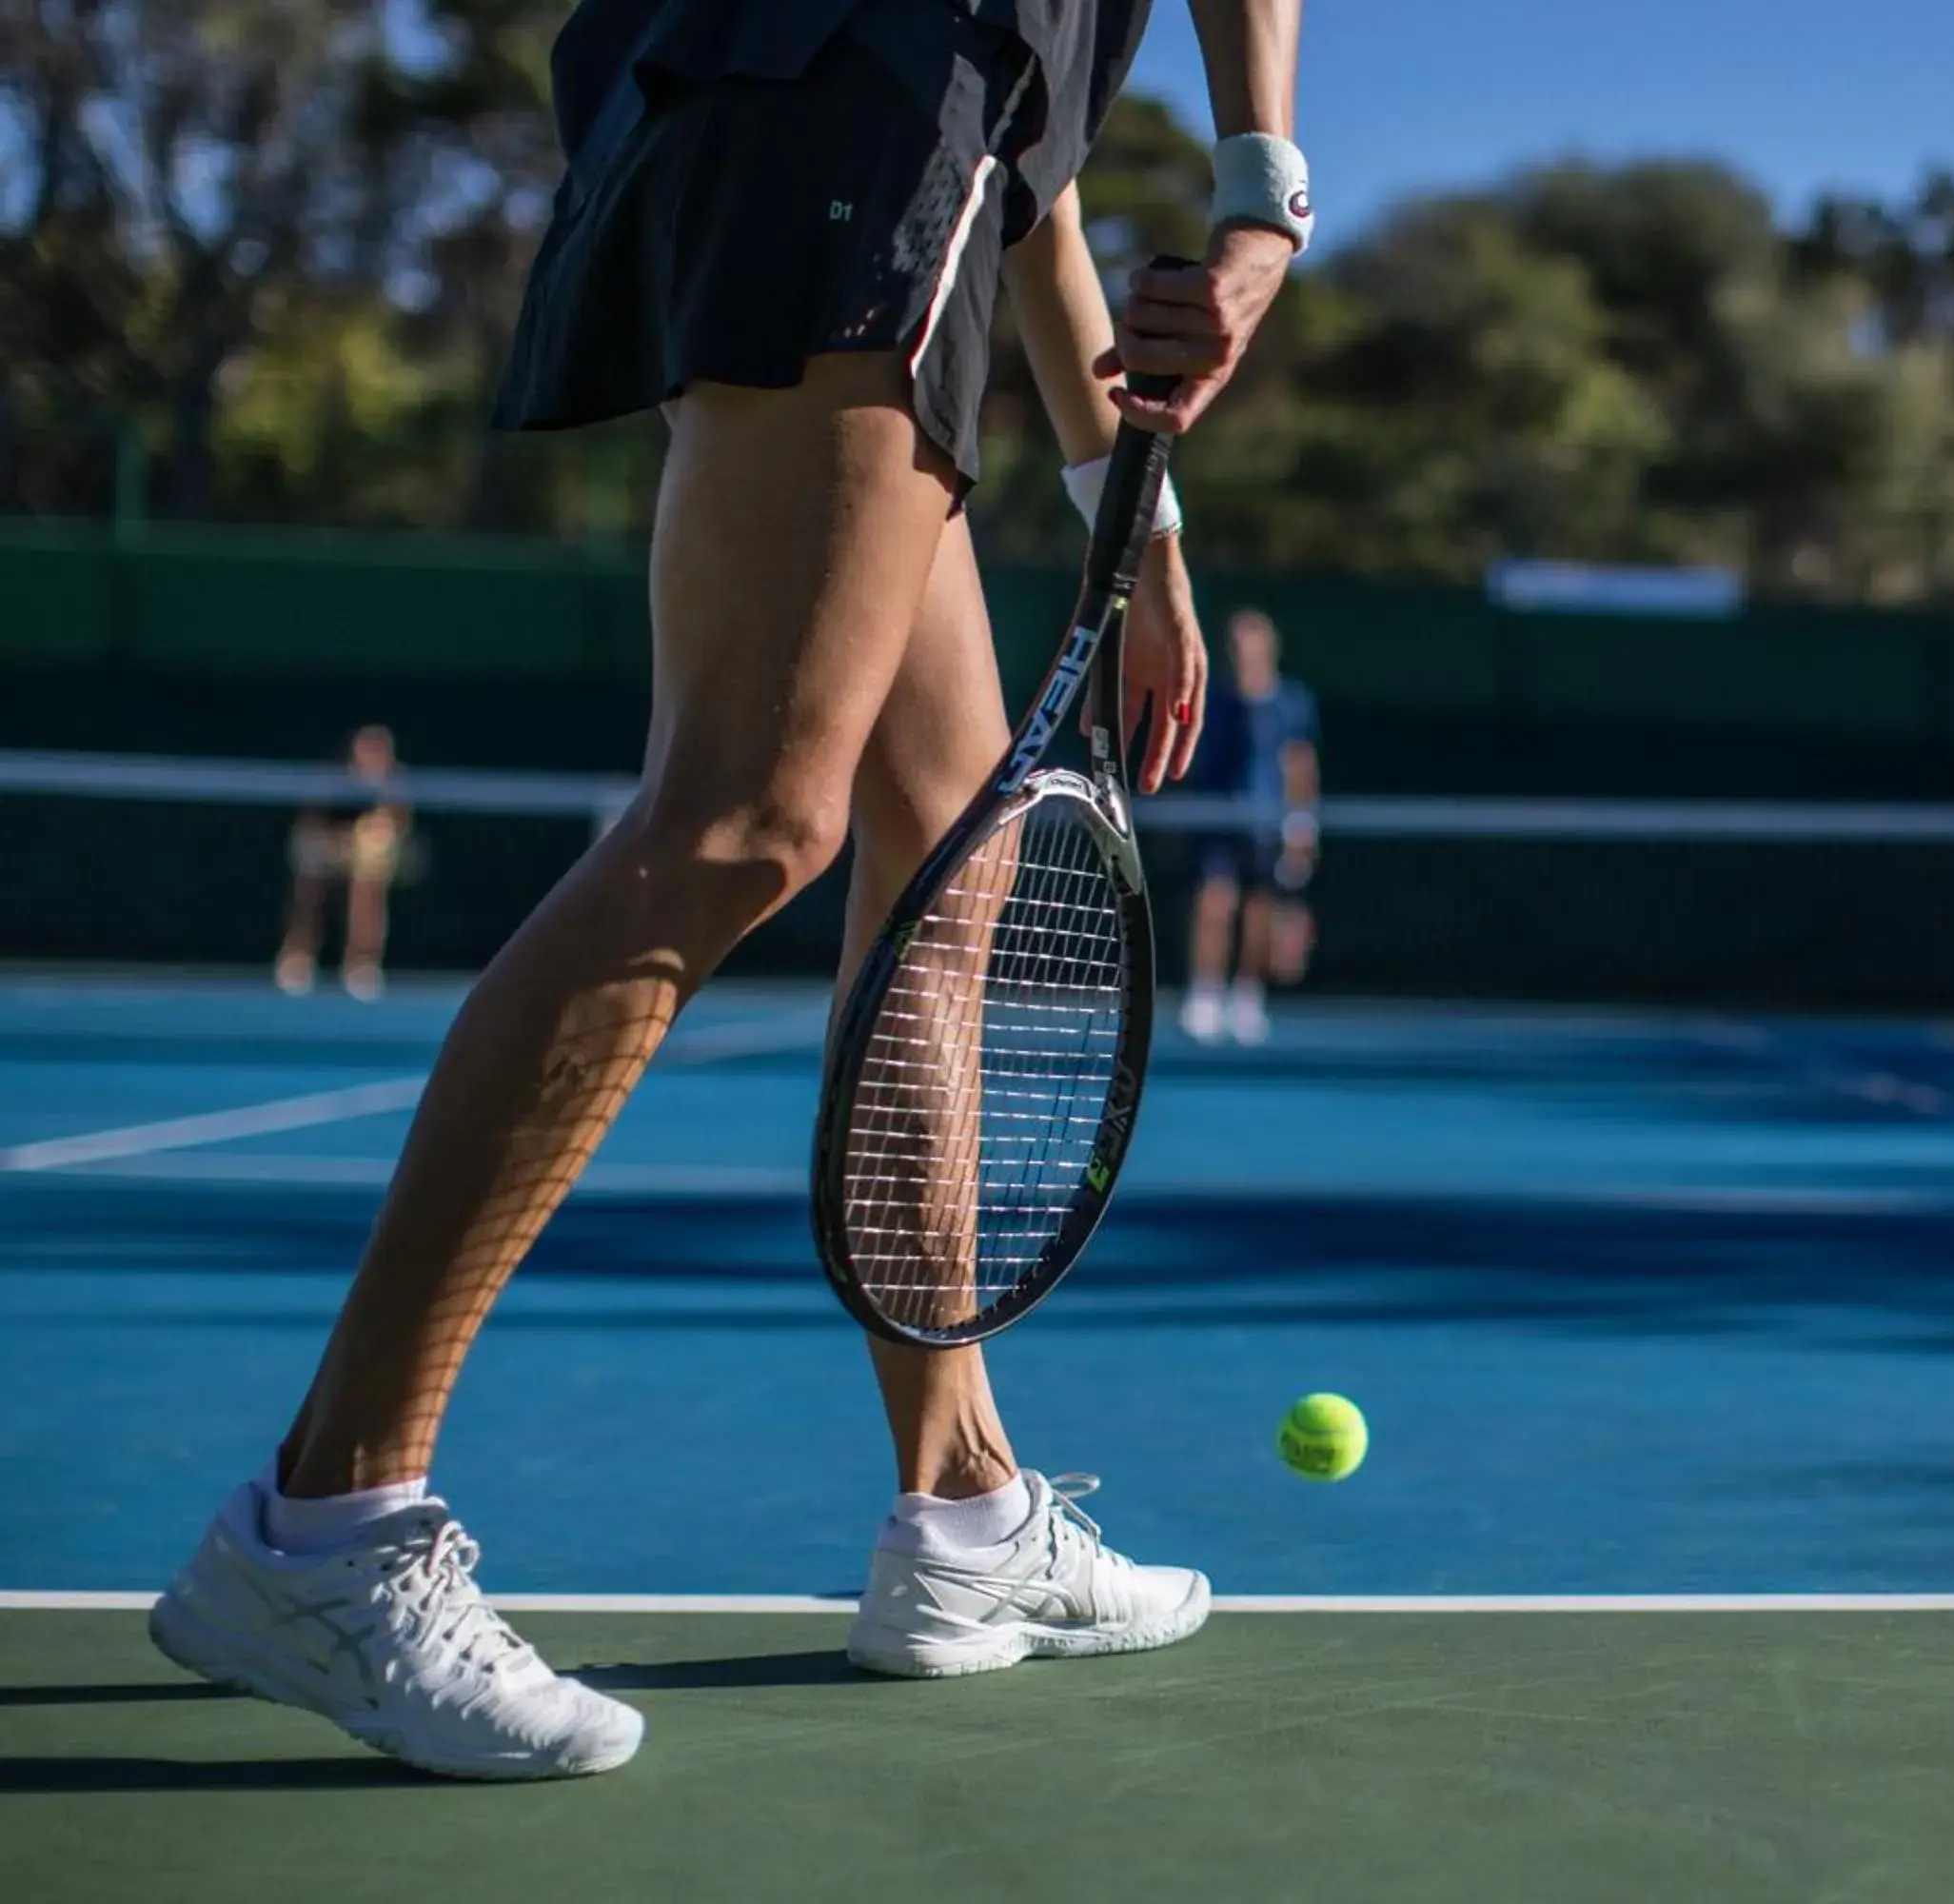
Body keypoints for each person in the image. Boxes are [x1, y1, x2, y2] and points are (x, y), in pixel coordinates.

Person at [148, 0, 1308, 1781]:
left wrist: (1138, 524)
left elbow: (1034, 188)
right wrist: (1264, 196)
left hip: (855, 117)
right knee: (749, 817)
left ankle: (962, 1514)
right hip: (846, 117)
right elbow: (1009, 149)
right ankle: (323, 1525)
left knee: (947, 837)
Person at [1181, 607, 1319, 1044]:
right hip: (1218, 819)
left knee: (1260, 911)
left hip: (1268, 824)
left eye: (1253, 644)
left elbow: (1300, 765)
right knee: (1214, 903)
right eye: (1238, 646)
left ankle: (1246, 994)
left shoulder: (1292, 702)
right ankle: (1205, 993)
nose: (1244, 653)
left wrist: (1301, 827)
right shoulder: (1215, 699)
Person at [275, 725, 412, 1002]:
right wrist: (333, 848)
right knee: (308, 883)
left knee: (367, 889)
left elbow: (397, 830)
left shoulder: (394, 785)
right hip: (328, 853)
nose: (370, 756)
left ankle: (362, 965)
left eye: (378, 751)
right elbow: (309, 829)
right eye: (365, 749)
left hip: (373, 860)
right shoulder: (330, 782)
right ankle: (297, 958)